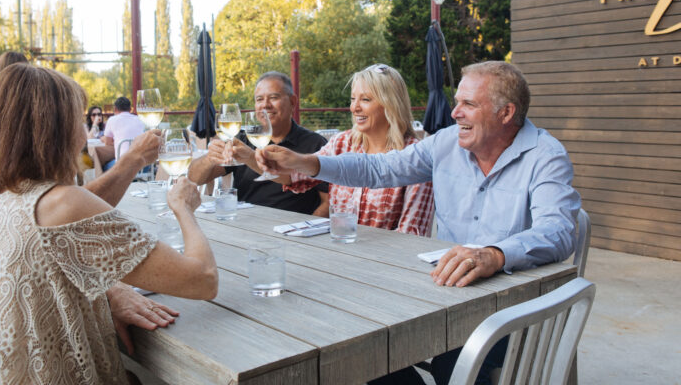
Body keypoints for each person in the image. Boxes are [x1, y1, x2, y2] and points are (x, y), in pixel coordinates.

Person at [256, 61, 580, 384]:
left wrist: (495, 254)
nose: (454, 113)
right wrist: (308, 162)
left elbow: (559, 232)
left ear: (506, 113)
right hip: (450, 296)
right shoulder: (446, 143)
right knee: (362, 350)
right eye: (457, 102)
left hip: (515, 307)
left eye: (468, 104)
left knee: (454, 365)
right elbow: (378, 169)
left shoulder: (545, 155)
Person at [0, 64, 217, 384]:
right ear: (54, 129)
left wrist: (105, 292)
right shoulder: (61, 204)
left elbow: (29, 289)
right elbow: (203, 280)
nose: (85, 135)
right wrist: (184, 207)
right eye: (79, 118)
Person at [279, 64, 434, 235]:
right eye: (353, 99)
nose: (354, 108)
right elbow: (296, 176)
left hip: (384, 259)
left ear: (390, 104)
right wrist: (251, 157)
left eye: (365, 99)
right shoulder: (342, 142)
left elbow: (412, 234)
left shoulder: (415, 156)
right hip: (337, 249)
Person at [188, 71, 329, 215]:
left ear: (293, 102)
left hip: (292, 230)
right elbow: (194, 179)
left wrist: (304, 228)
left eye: (274, 98)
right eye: (259, 99)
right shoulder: (242, 140)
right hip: (246, 225)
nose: (265, 105)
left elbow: (328, 201)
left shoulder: (315, 144)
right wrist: (209, 158)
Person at [96, 96, 145, 174]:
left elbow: (107, 142)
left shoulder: (112, 120)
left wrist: (116, 141)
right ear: (130, 109)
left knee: (103, 166)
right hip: (142, 167)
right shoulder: (139, 119)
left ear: (115, 109)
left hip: (123, 166)